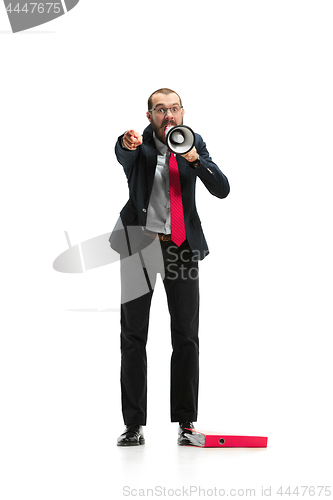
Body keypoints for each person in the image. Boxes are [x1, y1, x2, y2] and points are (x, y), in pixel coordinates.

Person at [109, 88, 230, 446]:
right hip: (139, 248)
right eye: (160, 110)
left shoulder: (194, 143)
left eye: (174, 108)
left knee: (186, 336)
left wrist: (195, 159)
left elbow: (222, 189)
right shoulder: (139, 147)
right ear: (150, 117)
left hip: (180, 248)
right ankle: (134, 425)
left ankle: (186, 423)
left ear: (182, 111)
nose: (169, 115)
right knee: (133, 336)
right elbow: (123, 153)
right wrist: (125, 142)